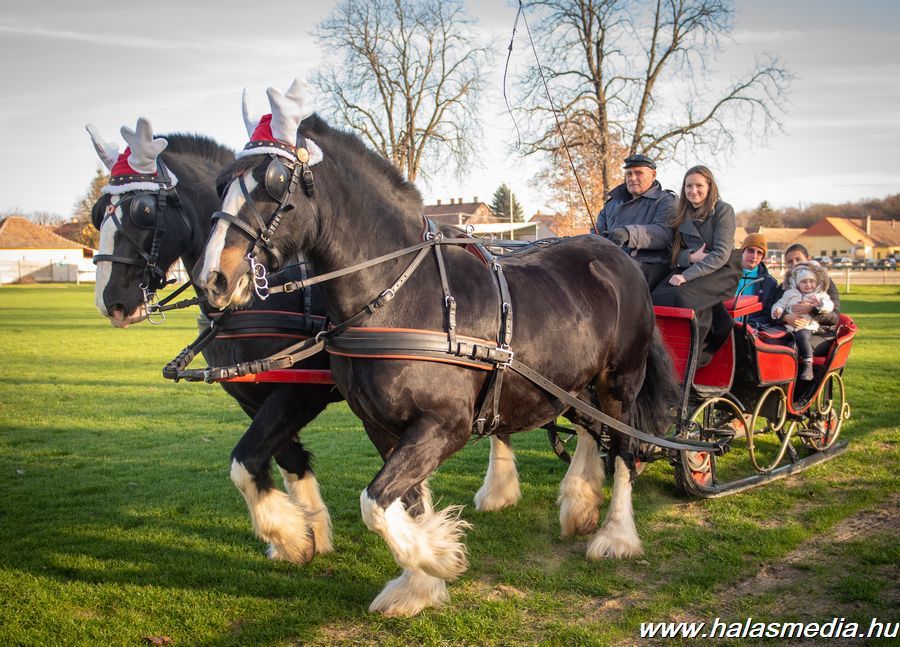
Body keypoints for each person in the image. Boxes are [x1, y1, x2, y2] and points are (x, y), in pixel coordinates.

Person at [650, 166, 741, 364]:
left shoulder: (723, 211)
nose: (693, 190)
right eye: (688, 186)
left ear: (709, 186)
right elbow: (674, 252)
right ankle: (660, 353)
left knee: (681, 296)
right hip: (690, 266)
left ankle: (692, 357)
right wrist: (690, 258)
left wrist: (686, 275)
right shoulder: (682, 213)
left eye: (699, 185)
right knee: (656, 296)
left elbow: (721, 254)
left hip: (722, 270)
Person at [596, 154, 675, 290]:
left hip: (649, 265)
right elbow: (596, 232)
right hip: (612, 261)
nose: (632, 178)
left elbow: (664, 233)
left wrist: (628, 233)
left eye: (638, 173)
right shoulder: (612, 204)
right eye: (629, 174)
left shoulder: (666, 201)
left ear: (653, 175)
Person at [773, 243, 842, 355]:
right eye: (790, 261)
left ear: (808, 259)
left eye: (798, 259)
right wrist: (784, 317)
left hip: (821, 333)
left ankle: (806, 366)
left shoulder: (825, 283)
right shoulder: (784, 286)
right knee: (768, 345)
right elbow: (771, 311)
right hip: (790, 331)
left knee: (793, 348)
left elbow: (835, 317)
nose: (794, 264)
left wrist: (811, 310)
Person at [771, 262, 834, 380]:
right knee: (775, 339)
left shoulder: (818, 295)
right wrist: (778, 311)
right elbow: (779, 304)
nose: (808, 285)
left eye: (811, 281)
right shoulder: (790, 293)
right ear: (797, 284)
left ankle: (808, 364)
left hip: (806, 327)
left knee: (802, 336)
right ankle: (778, 372)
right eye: (804, 282)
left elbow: (829, 305)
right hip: (788, 327)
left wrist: (817, 307)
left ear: (816, 282)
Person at [734, 233, 779, 328]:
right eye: (751, 251)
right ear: (742, 251)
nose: (754, 256)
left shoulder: (769, 283)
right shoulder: (726, 274)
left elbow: (768, 314)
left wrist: (751, 324)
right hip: (723, 328)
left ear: (762, 257)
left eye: (759, 253)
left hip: (749, 331)